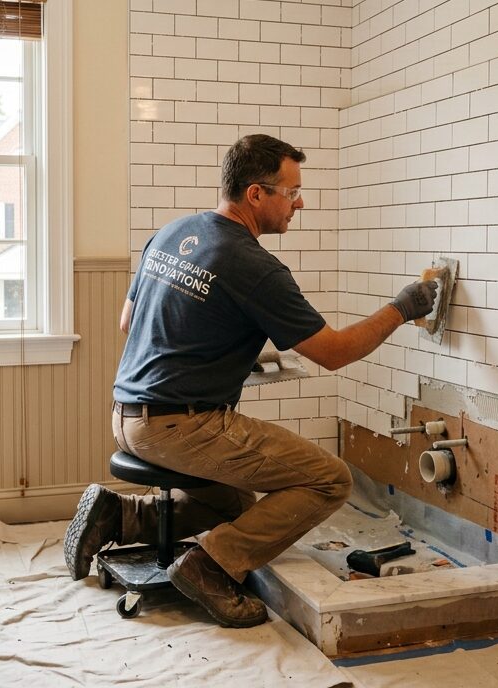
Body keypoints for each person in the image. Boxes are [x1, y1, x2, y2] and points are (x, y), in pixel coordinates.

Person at [63, 134, 439, 628]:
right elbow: (334, 353)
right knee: (330, 479)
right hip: (179, 426)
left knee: (237, 502)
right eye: (292, 192)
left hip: (128, 416)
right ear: (256, 194)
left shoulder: (174, 232)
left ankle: (119, 516)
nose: (299, 203)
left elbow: (128, 322)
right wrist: (401, 308)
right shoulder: (253, 266)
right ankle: (210, 566)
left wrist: (214, 350)